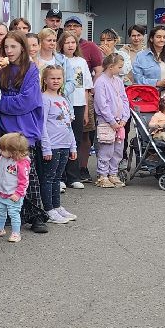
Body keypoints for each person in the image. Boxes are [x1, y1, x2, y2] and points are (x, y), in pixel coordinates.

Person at [0, 31, 47, 234]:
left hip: (24, 129)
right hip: (3, 129)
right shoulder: (1, 70)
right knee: (4, 173)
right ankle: (8, 213)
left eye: (13, 46)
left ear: (23, 48)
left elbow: (26, 102)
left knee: (27, 174)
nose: (9, 50)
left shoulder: (31, 69)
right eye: (6, 47)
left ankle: (36, 215)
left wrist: (0, 102)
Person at [58, 29, 96, 186]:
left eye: (73, 42)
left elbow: (86, 87)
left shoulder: (81, 62)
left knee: (76, 139)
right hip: (61, 104)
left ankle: (73, 176)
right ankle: (60, 177)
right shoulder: (58, 60)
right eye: (67, 42)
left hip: (79, 104)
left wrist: (86, 111)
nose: (70, 45)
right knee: (61, 139)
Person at [39, 66, 77, 224]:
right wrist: (46, 147)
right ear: (45, 80)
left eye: (59, 78)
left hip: (65, 144)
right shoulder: (44, 99)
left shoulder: (63, 99)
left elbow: (68, 124)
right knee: (48, 178)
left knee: (57, 178)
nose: (56, 81)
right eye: (52, 78)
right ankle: (48, 209)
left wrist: (73, 146)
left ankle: (57, 206)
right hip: (52, 145)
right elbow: (42, 124)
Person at [0, 133, 31, 242]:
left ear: (14, 151)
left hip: (14, 194)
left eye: (3, 149)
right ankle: (0, 228)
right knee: (0, 211)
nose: (0, 151)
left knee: (14, 214)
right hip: (2, 192)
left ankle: (16, 233)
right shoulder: (3, 158)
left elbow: (24, 181)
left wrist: (18, 194)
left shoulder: (21, 163)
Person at [92, 53, 131, 187]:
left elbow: (124, 99)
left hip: (119, 122)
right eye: (119, 67)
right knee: (106, 148)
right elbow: (101, 104)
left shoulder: (118, 81)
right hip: (106, 121)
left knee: (118, 149)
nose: (121, 70)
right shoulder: (100, 82)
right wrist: (111, 121)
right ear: (110, 67)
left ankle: (113, 173)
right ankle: (102, 175)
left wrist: (125, 118)